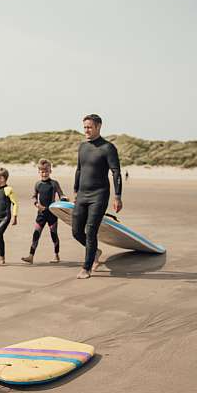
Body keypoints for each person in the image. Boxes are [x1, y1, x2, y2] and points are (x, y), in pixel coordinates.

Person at [72, 114, 122, 279]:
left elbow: (116, 172)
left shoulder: (108, 148)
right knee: (76, 231)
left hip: (99, 194)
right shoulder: (83, 147)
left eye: (89, 127)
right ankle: (96, 251)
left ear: (98, 127)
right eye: (85, 127)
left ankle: (86, 268)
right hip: (82, 194)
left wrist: (117, 196)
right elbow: (79, 170)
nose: (86, 130)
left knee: (91, 230)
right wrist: (75, 191)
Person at [21, 159, 66, 264]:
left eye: (46, 171)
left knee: (53, 234)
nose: (44, 173)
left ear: (50, 171)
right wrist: (37, 204)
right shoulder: (37, 184)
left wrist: (64, 199)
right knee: (36, 234)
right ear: (39, 172)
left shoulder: (54, 183)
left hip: (52, 213)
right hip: (41, 214)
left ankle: (56, 255)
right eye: (42, 171)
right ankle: (31, 256)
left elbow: (61, 195)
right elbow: (33, 197)